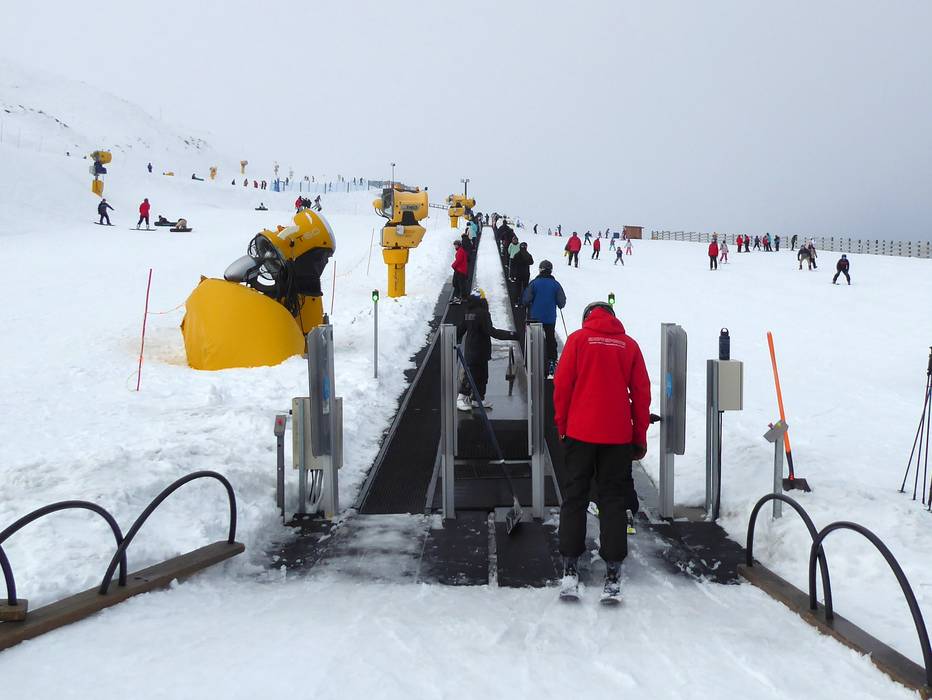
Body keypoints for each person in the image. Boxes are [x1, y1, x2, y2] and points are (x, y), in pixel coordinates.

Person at [553, 301, 650, 602]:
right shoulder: (629, 346)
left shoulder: (578, 341)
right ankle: (613, 570)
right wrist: (639, 436)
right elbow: (642, 395)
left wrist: (562, 426)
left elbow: (562, 387)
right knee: (613, 500)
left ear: (588, 318)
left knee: (575, 497)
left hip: (580, 433)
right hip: (617, 436)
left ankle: (570, 566)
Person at [455, 290, 519, 411]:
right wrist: (512, 335)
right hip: (480, 349)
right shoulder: (482, 313)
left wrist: (453, 339)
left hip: (471, 349)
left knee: (475, 374)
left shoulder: (468, 312)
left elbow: (461, 329)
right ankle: (462, 398)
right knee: (478, 376)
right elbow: (491, 331)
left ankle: (477, 399)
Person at [521, 260, 566, 378]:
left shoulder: (534, 283)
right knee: (550, 339)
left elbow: (526, 299)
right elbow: (562, 302)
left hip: (535, 318)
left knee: (534, 339)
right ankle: (551, 362)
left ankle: (533, 361)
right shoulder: (556, 284)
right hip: (550, 318)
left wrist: (526, 303)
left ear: (540, 270)